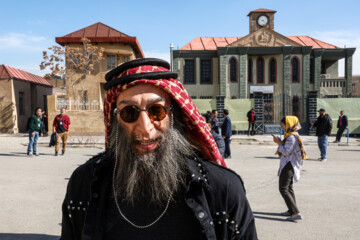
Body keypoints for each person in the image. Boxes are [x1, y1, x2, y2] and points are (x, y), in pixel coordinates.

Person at [60, 58, 257, 240]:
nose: (145, 127)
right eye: (129, 112)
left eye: (157, 111)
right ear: (115, 120)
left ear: (174, 117)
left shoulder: (222, 189)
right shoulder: (84, 184)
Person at [273, 116, 306, 221]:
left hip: (289, 165)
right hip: (289, 164)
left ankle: (295, 213)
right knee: (289, 187)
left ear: (289, 124)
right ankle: (291, 210)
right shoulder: (290, 135)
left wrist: (278, 143)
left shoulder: (291, 137)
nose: (282, 127)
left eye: (283, 125)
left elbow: (286, 152)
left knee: (283, 188)